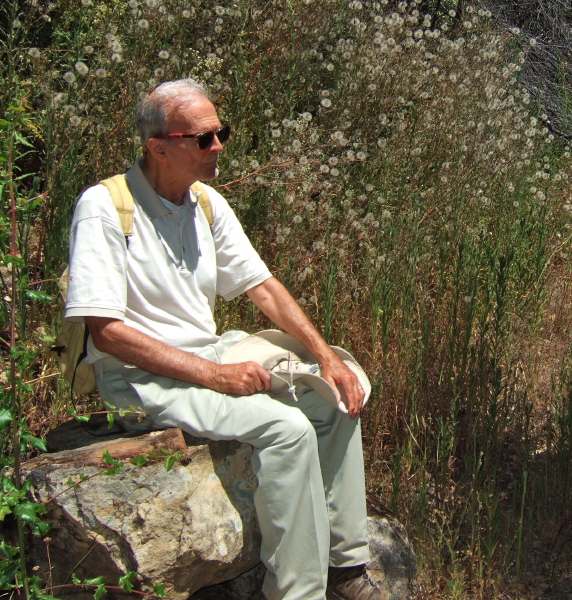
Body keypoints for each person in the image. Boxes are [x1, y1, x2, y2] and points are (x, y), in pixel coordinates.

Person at [64, 79, 393, 600]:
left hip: (207, 356)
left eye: (222, 133)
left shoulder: (206, 204)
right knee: (287, 429)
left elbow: (263, 288)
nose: (219, 146)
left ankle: (345, 567)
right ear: (158, 146)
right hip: (140, 378)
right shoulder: (105, 207)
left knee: (335, 398)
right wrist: (215, 376)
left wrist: (328, 358)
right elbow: (107, 331)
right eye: (203, 138)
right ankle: (295, 592)